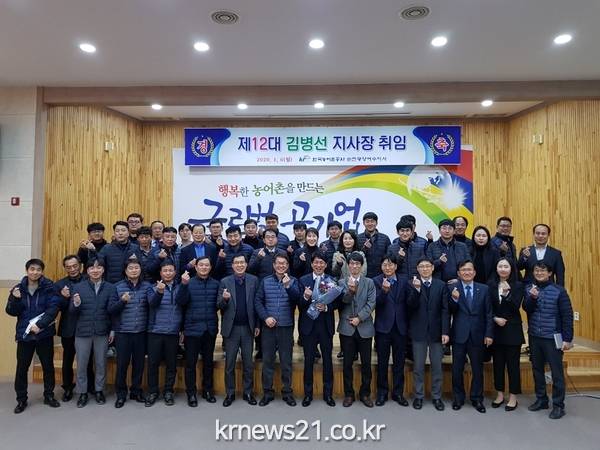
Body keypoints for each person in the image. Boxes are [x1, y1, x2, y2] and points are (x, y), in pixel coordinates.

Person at [6, 258, 59, 414]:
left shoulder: (49, 287)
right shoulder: (18, 289)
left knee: (48, 366)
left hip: (44, 334)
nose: (35, 272)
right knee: (22, 368)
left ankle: (49, 396)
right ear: (27, 270)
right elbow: (11, 311)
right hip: (25, 335)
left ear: (42, 271)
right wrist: (15, 299)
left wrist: (40, 325)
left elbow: (53, 309)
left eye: (38, 269)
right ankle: (21, 399)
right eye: (32, 269)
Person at [523, 262, 574, 419]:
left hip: (552, 337)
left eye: (543, 270)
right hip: (535, 336)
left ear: (550, 273)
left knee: (556, 372)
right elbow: (526, 308)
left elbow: (567, 316)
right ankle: (541, 400)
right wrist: (532, 298)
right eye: (536, 270)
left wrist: (567, 338)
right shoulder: (530, 288)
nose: (539, 273)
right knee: (537, 369)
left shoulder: (559, 291)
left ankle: (558, 405)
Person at [254, 254, 300, 406]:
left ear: (287, 265)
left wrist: (288, 287)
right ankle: (267, 392)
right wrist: (265, 317)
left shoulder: (293, 281)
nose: (281, 266)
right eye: (278, 263)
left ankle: (287, 392)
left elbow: (298, 300)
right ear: (274, 265)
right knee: (268, 361)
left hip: (286, 327)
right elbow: (258, 301)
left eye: (284, 263)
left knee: (286, 362)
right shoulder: (265, 281)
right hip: (269, 328)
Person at [108, 257, 154, 408]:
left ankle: (136, 391)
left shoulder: (147, 286)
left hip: (141, 331)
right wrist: (122, 301)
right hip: (123, 332)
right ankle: (121, 394)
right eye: (131, 268)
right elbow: (111, 310)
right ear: (125, 271)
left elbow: (152, 306)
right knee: (122, 364)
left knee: (139, 364)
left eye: (136, 268)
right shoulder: (117, 287)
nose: (134, 270)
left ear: (140, 270)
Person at [70, 259, 116, 408]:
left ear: (103, 270)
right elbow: (72, 311)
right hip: (82, 332)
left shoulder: (110, 288)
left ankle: (99, 390)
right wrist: (76, 304)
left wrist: (113, 330)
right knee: (82, 364)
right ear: (87, 270)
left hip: (102, 331)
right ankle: (82, 392)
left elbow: (113, 312)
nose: (95, 270)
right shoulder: (78, 287)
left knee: (101, 363)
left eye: (98, 267)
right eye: (92, 268)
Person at [448, 260, 493, 413]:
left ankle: (477, 398)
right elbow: (448, 311)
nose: (466, 272)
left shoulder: (484, 289)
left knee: (477, 369)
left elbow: (488, 313)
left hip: (478, 334)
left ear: (474, 272)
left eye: (469, 270)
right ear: (458, 273)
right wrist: (454, 299)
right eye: (463, 270)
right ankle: (458, 398)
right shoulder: (452, 288)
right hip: (459, 335)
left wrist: (489, 334)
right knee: (457, 369)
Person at [406, 257, 450, 411]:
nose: (424, 269)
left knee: (437, 366)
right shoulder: (411, 284)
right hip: (418, 331)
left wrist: (445, 331)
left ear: (432, 268)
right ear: (417, 269)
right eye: (421, 266)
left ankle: (437, 396)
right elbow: (409, 306)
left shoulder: (441, 285)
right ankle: (418, 396)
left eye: (427, 266)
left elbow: (445, 310)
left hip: (437, 332)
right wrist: (417, 290)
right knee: (418, 366)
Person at [297, 252, 340, 407]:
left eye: (322, 262)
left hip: (325, 326)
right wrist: (305, 297)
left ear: (326, 265)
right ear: (311, 264)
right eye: (316, 262)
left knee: (327, 361)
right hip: (308, 326)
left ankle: (328, 394)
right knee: (308, 361)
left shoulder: (331, 280)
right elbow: (298, 304)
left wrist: (327, 307)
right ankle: (308, 394)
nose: (319, 265)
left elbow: (338, 303)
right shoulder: (303, 280)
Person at [176, 257, 220, 406]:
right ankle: (191, 393)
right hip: (192, 329)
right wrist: (183, 285)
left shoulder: (216, 284)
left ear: (210, 267)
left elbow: (218, 305)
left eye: (207, 265)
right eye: (201, 265)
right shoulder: (188, 283)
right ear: (196, 267)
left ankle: (208, 390)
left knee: (208, 362)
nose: (204, 267)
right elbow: (180, 302)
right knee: (190, 363)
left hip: (210, 329)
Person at [218, 255, 260, 407]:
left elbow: (257, 303)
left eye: (242, 262)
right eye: (237, 263)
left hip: (248, 328)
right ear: (232, 265)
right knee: (229, 363)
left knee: (248, 363)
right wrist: (225, 299)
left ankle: (248, 392)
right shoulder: (225, 281)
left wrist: (257, 325)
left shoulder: (254, 280)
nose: (239, 265)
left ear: (246, 264)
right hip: (232, 329)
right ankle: (230, 393)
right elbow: (219, 305)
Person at [337, 252, 376, 407]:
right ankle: (349, 394)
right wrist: (351, 291)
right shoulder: (341, 282)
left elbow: (371, 303)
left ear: (361, 266)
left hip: (364, 327)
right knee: (347, 364)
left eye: (357, 264)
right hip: (347, 328)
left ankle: (365, 394)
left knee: (366, 364)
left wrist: (359, 318)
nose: (354, 266)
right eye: (352, 263)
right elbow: (342, 302)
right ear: (348, 265)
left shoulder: (369, 282)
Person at [53, 255, 94, 401]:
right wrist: (63, 297)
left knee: (88, 359)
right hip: (68, 328)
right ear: (65, 268)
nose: (72, 269)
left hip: (87, 326)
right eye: (68, 267)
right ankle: (68, 387)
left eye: (75, 266)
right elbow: (57, 307)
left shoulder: (90, 280)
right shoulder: (59, 285)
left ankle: (90, 386)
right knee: (68, 360)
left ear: (80, 265)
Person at [145, 260, 184, 407]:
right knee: (153, 364)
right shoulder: (152, 288)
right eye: (165, 271)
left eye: (170, 270)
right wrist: (159, 292)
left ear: (175, 272)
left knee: (171, 364)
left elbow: (184, 306)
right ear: (160, 273)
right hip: (155, 331)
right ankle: (153, 392)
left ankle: (168, 391)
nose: (168, 273)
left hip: (173, 332)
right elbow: (152, 304)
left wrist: (181, 329)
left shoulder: (180, 288)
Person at [488, 258, 525, 411]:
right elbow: (487, 308)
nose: (503, 269)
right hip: (496, 330)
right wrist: (494, 318)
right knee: (497, 365)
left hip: (512, 330)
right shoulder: (490, 285)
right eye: (500, 266)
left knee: (513, 366)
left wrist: (506, 294)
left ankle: (513, 397)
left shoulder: (518, 285)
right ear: (496, 268)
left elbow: (515, 307)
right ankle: (499, 394)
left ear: (511, 269)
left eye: (506, 266)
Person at [373, 256, 409, 407]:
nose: (388, 268)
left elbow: (409, 302)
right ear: (381, 266)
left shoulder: (405, 280)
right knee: (382, 362)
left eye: (390, 265)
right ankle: (382, 393)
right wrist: (384, 291)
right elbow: (375, 303)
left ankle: (398, 393)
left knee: (399, 362)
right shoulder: (376, 281)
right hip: (383, 327)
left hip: (400, 327)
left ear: (395, 266)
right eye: (385, 265)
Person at [358, 212, 391, 278]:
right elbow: (356, 257)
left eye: (372, 221)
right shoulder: (358, 238)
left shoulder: (385, 238)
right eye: (367, 221)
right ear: (364, 223)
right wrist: (364, 249)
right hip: (363, 275)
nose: (370, 224)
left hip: (381, 274)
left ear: (376, 223)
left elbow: (389, 256)